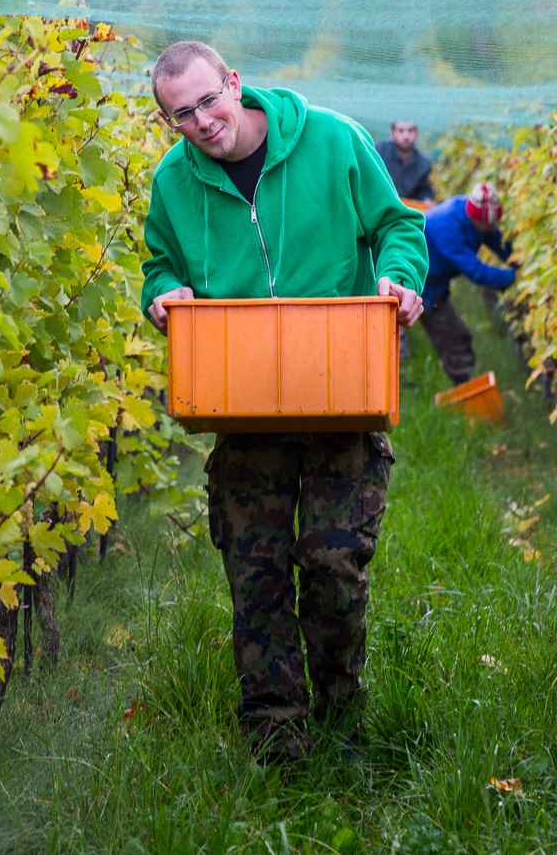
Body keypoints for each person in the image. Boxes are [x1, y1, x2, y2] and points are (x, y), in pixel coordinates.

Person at [141, 41, 429, 766]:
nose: (203, 122)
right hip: (244, 403)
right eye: (182, 115)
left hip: (341, 390)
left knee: (332, 563)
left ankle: (340, 719)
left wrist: (398, 278)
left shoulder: (333, 140)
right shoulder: (173, 182)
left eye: (209, 100)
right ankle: (276, 736)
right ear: (171, 123)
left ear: (234, 84)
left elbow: (399, 225)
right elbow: (161, 264)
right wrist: (161, 295)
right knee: (255, 568)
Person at [413, 181, 518, 385]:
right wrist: (513, 278)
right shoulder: (448, 225)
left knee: (456, 336)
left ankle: (464, 388)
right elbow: (476, 272)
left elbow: (497, 240)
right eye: (488, 225)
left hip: (435, 288)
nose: (492, 228)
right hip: (413, 283)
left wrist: (518, 260)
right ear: (474, 218)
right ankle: (400, 388)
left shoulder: (475, 215)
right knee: (393, 342)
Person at [374, 119, 435, 202]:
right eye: (400, 131)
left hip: (404, 210)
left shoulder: (423, 164)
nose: (406, 136)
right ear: (392, 134)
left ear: (417, 133)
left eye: (410, 131)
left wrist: (427, 200)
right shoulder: (377, 152)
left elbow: (423, 190)